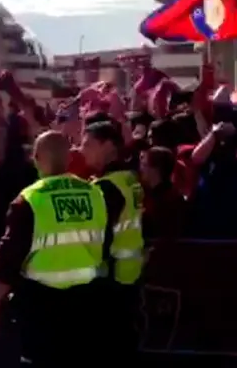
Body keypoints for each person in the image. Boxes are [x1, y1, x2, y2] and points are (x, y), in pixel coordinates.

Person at [0, 130, 122, 366]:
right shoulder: (95, 194)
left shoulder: (29, 200)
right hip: (85, 302)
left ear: (36, 158)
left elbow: (6, 262)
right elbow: (106, 243)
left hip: (41, 304)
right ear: (70, 158)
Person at [80, 120, 143, 363]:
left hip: (110, 281)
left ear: (108, 146)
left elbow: (99, 239)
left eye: (88, 144)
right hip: (130, 275)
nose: (81, 149)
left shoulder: (106, 187)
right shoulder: (129, 178)